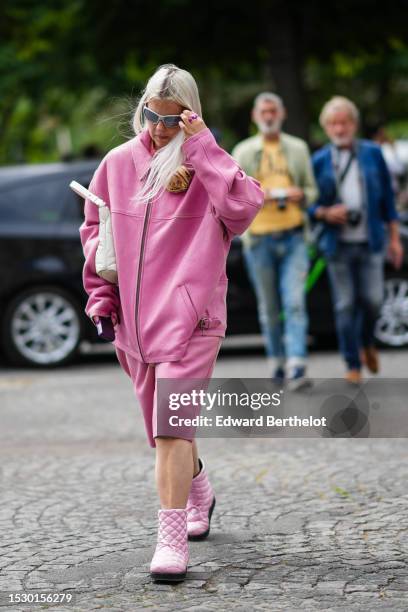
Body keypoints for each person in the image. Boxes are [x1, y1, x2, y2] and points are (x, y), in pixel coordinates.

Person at [79, 64, 263, 583]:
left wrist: (201, 144)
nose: (159, 128)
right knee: (162, 431)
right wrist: (100, 297)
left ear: (190, 116)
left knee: (171, 430)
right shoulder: (117, 164)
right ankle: (198, 487)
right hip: (134, 326)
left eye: (172, 119)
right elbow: (97, 235)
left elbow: (247, 206)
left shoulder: (209, 166)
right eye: (150, 115)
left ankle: (171, 539)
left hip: (192, 321)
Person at [309, 96, 403, 383]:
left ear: (354, 124)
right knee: (345, 304)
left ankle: (367, 344)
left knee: (373, 301)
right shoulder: (320, 160)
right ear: (326, 127)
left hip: (370, 240)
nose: (339, 129)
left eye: (344, 122)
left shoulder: (373, 153)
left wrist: (394, 239)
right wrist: (325, 212)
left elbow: (388, 198)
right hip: (337, 245)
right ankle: (352, 362)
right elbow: (310, 205)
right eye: (334, 124)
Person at [232, 93, 318, 389]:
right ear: (256, 117)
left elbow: (312, 190)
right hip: (259, 240)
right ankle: (277, 362)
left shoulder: (297, 148)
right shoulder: (243, 151)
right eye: (263, 112)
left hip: (294, 235)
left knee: (294, 302)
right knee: (268, 308)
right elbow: (235, 195)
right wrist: (261, 196)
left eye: (273, 111)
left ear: (281, 114)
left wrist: (301, 195)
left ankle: (297, 365)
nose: (269, 116)